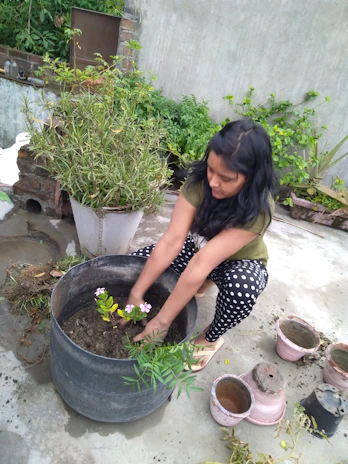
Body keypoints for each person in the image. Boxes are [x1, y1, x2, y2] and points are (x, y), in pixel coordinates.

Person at [126, 119, 275, 371]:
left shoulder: (258, 208)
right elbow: (172, 241)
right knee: (139, 262)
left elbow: (202, 263)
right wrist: (136, 293)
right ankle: (202, 285)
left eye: (226, 178)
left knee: (242, 291)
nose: (214, 182)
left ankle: (209, 338)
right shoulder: (199, 183)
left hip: (237, 263)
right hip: (197, 248)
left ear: (251, 179)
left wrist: (161, 323)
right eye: (211, 169)